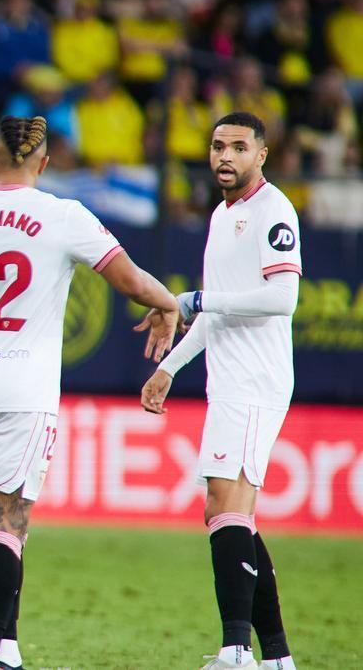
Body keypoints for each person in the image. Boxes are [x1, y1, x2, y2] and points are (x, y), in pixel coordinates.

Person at [0, 116, 179, 670]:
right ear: (44, 164)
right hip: (23, 385)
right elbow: (129, 280)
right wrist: (168, 304)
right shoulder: (61, 215)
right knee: (9, 520)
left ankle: (6, 651)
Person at [140, 112, 301, 670]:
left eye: (237, 147)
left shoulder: (273, 211)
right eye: (216, 147)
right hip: (229, 379)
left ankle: (237, 652)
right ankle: (276, 657)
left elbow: (282, 299)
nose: (224, 156)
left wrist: (202, 300)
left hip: (256, 380)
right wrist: (171, 368)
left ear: (262, 154)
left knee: (224, 504)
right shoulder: (221, 215)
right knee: (233, 511)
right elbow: (212, 307)